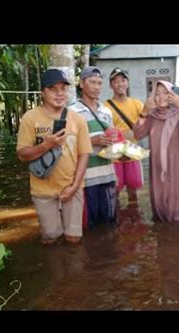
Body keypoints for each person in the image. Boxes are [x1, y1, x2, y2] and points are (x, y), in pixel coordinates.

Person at [16, 68, 92, 245]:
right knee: (50, 238)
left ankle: (73, 273)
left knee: (74, 239)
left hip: (72, 188)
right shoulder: (30, 118)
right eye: (53, 89)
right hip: (43, 190)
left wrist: (74, 187)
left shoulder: (77, 120)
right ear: (43, 92)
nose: (59, 94)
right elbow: (22, 155)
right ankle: (56, 272)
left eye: (63, 89)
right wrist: (46, 145)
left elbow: (84, 154)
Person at [133, 80, 179, 222]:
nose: (161, 97)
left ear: (173, 95)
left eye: (166, 93)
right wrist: (143, 113)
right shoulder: (152, 116)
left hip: (177, 168)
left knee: (178, 210)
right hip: (158, 168)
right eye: (157, 93)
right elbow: (138, 134)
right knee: (160, 206)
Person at [68, 66, 118, 228]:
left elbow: (111, 139)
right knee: (90, 224)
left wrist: (117, 146)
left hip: (108, 174)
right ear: (82, 84)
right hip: (86, 177)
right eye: (92, 82)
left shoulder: (106, 111)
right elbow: (67, 146)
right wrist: (93, 141)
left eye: (99, 83)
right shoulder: (72, 112)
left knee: (110, 221)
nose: (97, 87)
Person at [104, 67, 145, 203]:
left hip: (132, 150)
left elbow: (144, 128)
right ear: (111, 85)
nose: (120, 84)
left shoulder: (137, 104)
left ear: (127, 83)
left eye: (123, 80)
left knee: (133, 191)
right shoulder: (105, 107)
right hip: (114, 152)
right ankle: (115, 218)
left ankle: (134, 218)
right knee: (114, 190)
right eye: (115, 81)